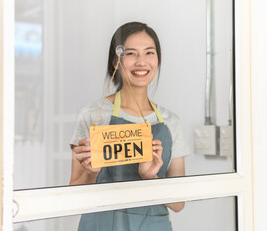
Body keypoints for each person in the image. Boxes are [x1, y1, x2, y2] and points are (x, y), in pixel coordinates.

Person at [69, 21, 190, 231]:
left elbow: (179, 204)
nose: (141, 62)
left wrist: (150, 177)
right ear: (116, 61)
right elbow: (71, 199)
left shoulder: (172, 122)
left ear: (157, 59)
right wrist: (91, 173)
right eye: (131, 53)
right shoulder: (92, 115)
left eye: (149, 53)